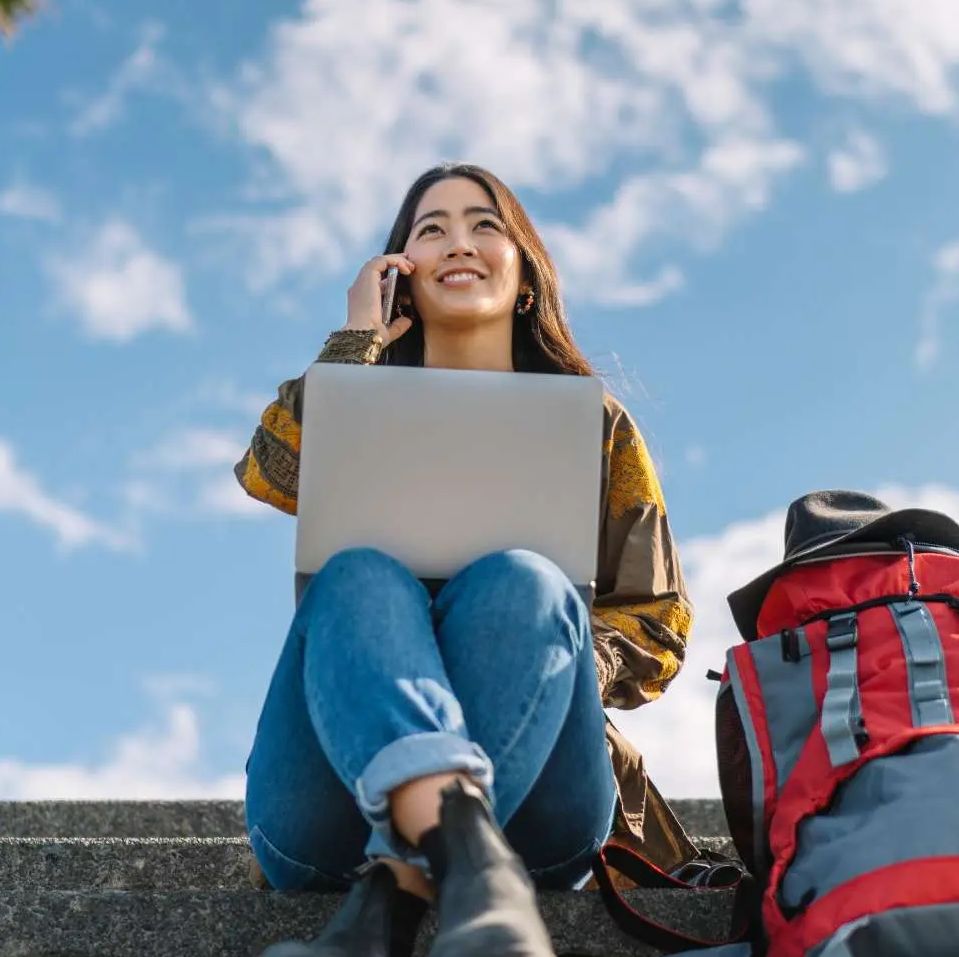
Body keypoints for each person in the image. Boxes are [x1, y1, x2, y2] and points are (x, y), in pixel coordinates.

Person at [234, 163, 698, 957]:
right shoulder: (352, 392)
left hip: (542, 812)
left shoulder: (597, 426)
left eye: (486, 224)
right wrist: (356, 343)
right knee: (357, 578)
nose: (459, 241)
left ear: (524, 274)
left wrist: (548, 665)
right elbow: (268, 472)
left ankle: (396, 891)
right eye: (430, 228)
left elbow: (658, 625)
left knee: (523, 583)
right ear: (399, 278)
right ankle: (447, 869)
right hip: (326, 812)